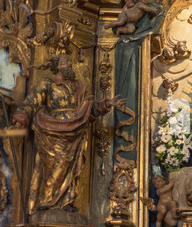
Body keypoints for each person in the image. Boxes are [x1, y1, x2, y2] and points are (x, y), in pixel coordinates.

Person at [11, 53, 126, 215]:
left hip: (76, 131)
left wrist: (106, 103)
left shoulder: (77, 86)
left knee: (74, 166)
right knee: (56, 164)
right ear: (57, 66)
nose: (70, 64)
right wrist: (20, 119)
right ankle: (48, 200)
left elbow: (88, 109)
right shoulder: (47, 83)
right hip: (51, 132)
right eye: (66, 62)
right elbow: (31, 103)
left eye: (70, 62)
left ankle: (67, 201)